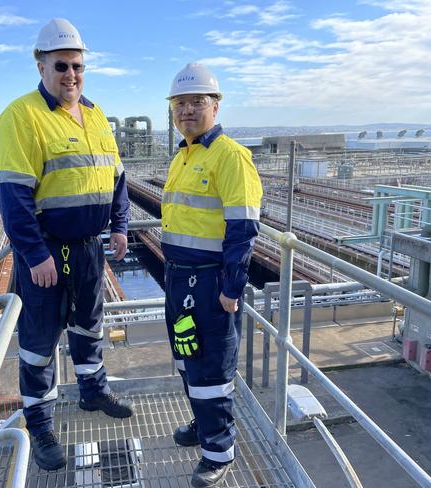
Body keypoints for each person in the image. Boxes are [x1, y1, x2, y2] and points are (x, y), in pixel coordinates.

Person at [0, 18, 133, 471]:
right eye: (61, 66)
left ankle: (93, 392)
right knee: (38, 340)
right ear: (40, 65)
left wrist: (119, 224)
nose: (71, 75)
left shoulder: (95, 115)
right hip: (47, 251)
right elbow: (13, 195)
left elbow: (116, 177)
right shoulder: (21, 116)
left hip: (89, 247)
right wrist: (34, 254)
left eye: (77, 66)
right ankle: (40, 422)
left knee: (89, 325)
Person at [161, 63, 263, 487]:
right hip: (177, 277)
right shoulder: (183, 155)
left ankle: (218, 451)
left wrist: (231, 287)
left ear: (215, 106)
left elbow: (243, 227)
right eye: (180, 103)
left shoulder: (230, 157)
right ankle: (203, 426)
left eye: (196, 102)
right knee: (187, 359)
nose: (187, 110)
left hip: (208, 282)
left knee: (211, 369)